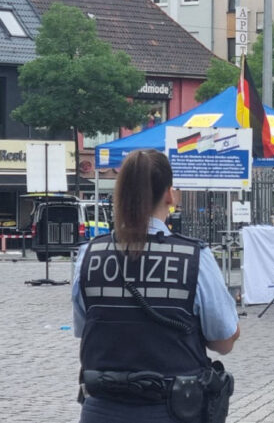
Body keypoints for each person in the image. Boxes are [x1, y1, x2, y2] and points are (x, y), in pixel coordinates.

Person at [72, 149, 240, 422]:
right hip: (171, 410)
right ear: (169, 195)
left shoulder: (89, 255)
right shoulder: (195, 257)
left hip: (101, 410)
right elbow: (224, 341)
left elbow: (85, 328)